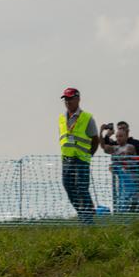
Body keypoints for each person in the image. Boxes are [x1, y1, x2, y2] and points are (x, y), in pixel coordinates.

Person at [58, 87, 99, 224]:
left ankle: (88, 219)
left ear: (78, 99)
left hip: (81, 159)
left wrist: (89, 155)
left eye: (70, 98)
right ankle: (83, 212)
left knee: (81, 188)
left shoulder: (87, 118)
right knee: (68, 187)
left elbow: (95, 140)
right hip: (67, 159)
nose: (68, 102)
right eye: (66, 99)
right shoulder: (61, 119)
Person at [101, 121, 139, 212]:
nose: (118, 138)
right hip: (121, 179)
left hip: (131, 177)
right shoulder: (115, 148)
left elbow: (125, 158)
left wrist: (115, 166)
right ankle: (122, 214)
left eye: (121, 136)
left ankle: (132, 214)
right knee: (121, 198)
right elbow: (103, 147)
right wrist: (101, 132)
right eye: (117, 136)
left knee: (130, 198)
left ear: (126, 136)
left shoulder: (130, 146)